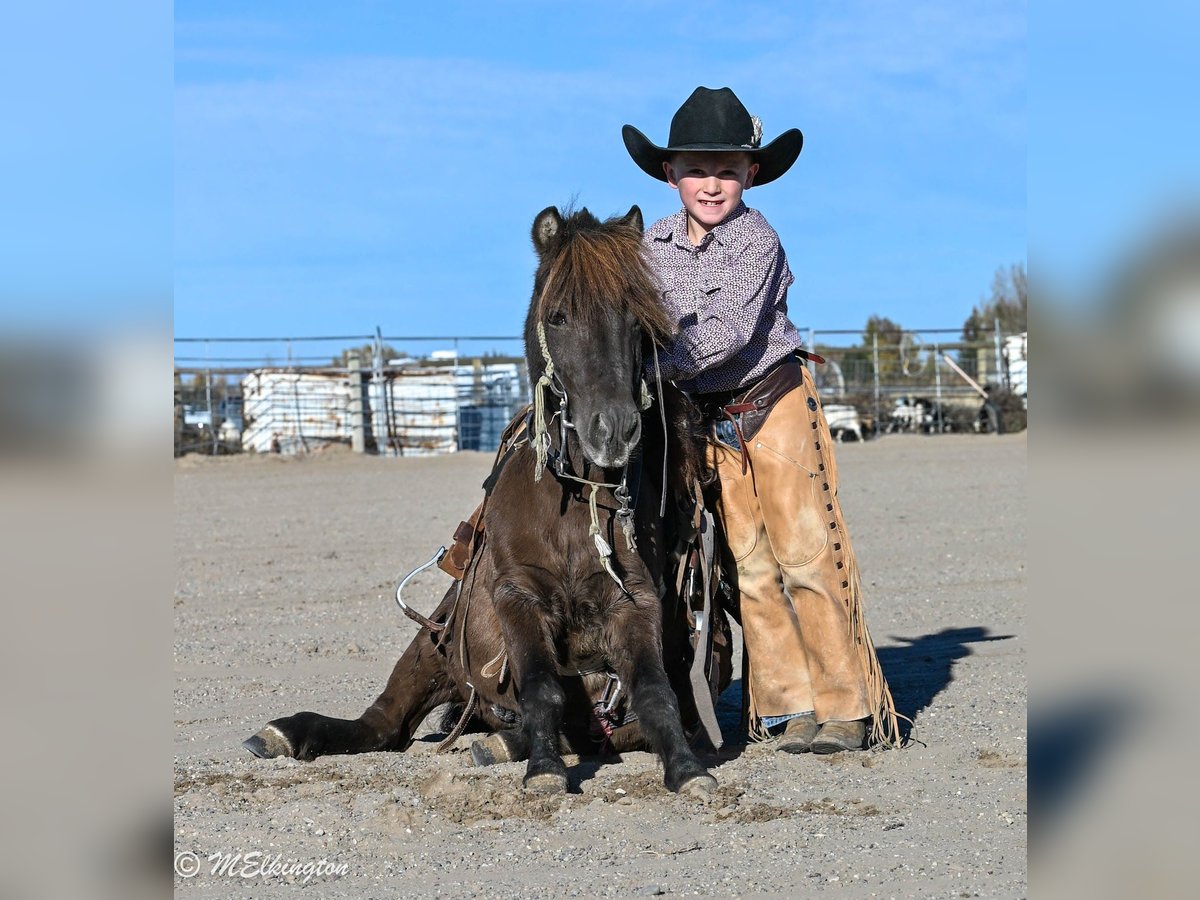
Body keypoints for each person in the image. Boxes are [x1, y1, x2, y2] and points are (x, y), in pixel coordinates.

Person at [622, 86, 901, 752]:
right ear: (670, 174)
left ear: (752, 174)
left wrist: (642, 372)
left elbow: (724, 333)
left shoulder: (757, 241)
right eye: (696, 169)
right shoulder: (650, 246)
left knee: (807, 554)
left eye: (726, 171)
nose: (711, 184)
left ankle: (848, 705)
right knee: (746, 564)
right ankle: (784, 705)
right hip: (710, 420)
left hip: (772, 404)